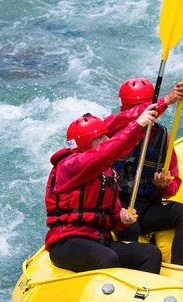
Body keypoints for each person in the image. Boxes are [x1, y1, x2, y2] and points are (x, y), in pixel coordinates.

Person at [45, 105, 163, 274]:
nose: (107, 139)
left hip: (98, 240)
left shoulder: (108, 171)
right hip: (67, 241)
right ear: (85, 143)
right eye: (100, 137)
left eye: (106, 135)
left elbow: (113, 216)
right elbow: (107, 151)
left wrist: (121, 218)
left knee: (151, 254)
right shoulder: (69, 165)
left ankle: (141, 297)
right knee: (107, 258)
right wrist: (136, 125)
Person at [109, 78, 183, 266]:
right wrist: (165, 101)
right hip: (118, 207)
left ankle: (178, 267)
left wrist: (164, 186)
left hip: (147, 206)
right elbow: (128, 118)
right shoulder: (114, 130)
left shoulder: (163, 136)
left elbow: (174, 184)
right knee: (131, 227)